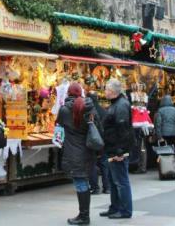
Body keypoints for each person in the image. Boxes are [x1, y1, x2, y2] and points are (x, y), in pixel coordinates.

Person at [57, 82, 98, 225]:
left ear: (68, 93)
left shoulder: (64, 110)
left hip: (74, 151)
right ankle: (83, 215)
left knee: (80, 183)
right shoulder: (90, 107)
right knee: (84, 182)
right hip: (88, 149)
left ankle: (84, 216)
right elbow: (98, 126)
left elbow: (59, 126)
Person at [99, 79, 134, 220]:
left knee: (120, 181)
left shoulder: (121, 105)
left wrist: (121, 150)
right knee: (114, 181)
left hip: (118, 149)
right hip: (113, 147)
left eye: (106, 89)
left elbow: (123, 129)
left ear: (112, 91)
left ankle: (125, 210)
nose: (105, 92)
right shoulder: (117, 104)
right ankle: (115, 208)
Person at [87, 91, 110, 195]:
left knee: (92, 164)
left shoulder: (87, 112)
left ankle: (95, 187)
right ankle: (107, 187)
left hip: (91, 141)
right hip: (103, 141)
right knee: (104, 164)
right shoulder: (104, 111)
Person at [154, 95, 175, 171]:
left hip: (164, 134)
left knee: (164, 151)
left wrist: (159, 137)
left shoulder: (160, 111)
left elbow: (158, 124)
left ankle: (165, 166)